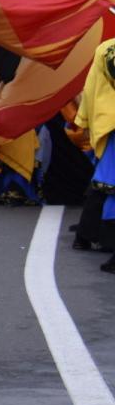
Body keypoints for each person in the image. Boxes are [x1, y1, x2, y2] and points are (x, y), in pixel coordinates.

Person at [74, 37, 115, 273]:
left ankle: (89, 235)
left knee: (105, 185)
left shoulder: (105, 48)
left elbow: (90, 89)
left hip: (108, 124)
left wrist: (85, 120)